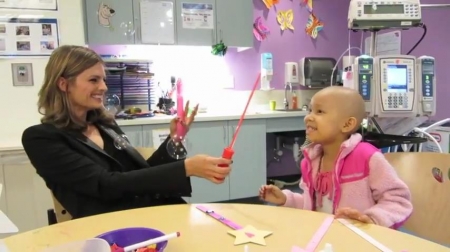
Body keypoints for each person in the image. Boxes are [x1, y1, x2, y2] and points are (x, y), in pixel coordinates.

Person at [22, 45, 232, 219]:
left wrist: (175, 138)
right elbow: (106, 184)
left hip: (153, 216)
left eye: (103, 79)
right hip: (112, 231)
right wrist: (186, 168)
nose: (104, 87)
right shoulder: (41, 139)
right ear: (63, 84)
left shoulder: (106, 126)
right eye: (93, 80)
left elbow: (142, 175)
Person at [259, 86, 412, 228]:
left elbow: (398, 201)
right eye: (310, 111)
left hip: (359, 242)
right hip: (324, 239)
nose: (308, 118)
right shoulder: (310, 161)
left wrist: (372, 219)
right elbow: (311, 206)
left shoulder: (367, 157)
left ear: (347, 124)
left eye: (319, 112)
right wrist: (287, 199)